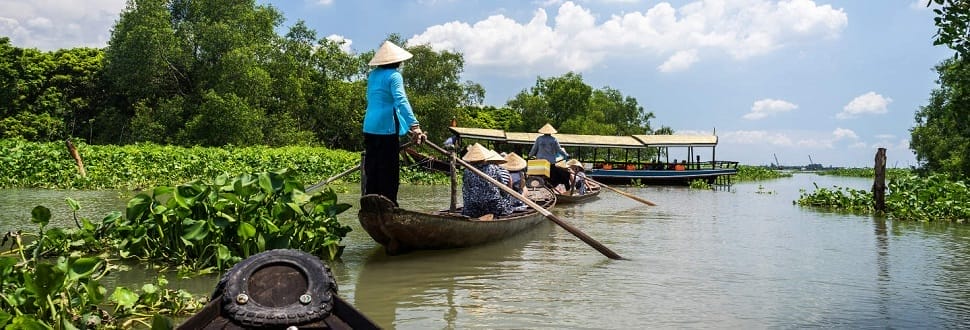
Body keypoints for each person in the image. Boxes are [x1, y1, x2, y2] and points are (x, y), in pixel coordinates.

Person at [362, 41, 426, 206]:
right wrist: (415, 126)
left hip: (369, 126)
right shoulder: (394, 75)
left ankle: (370, 202)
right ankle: (389, 204)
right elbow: (401, 100)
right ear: (396, 61)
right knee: (389, 170)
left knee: (373, 168)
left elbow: (381, 100)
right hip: (386, 127)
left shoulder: (373, 75)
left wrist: (408, 127)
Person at [461, 144, 513, 218]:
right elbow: (503, 189)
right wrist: (507, 201)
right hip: (493, 207)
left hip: (472, 209)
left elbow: (465, 191)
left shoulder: (466, 171)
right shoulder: (494, 168)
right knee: (507, 202)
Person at [528, 123, 570, 188]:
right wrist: (566, 155)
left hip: (540, 162)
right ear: (551, 132)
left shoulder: (539, 139)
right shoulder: (553, 139)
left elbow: (534, 149)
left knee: (538, 176)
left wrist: (530, 155)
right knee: (553, 177)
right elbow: (559, 150)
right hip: (551, 162)